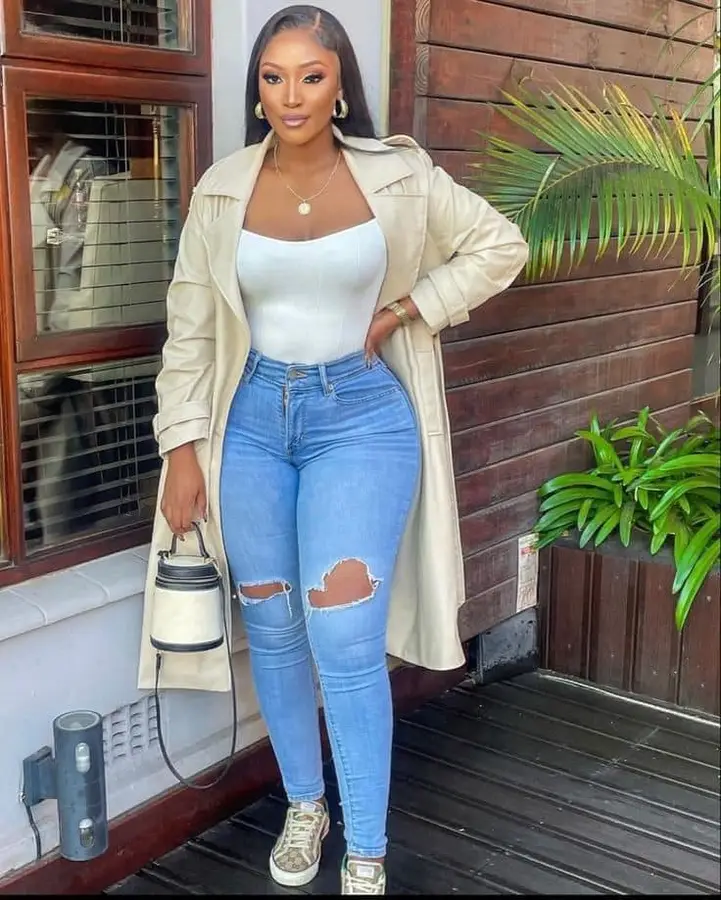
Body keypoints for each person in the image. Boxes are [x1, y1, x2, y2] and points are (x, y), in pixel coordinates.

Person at [138, 4, 528, 894]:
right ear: (258, 92)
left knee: (344, 635)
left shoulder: (399, 176)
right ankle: (305, 804)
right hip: (249, 422)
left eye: (309, 76)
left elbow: (498, 244)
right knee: (274, 629)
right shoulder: (222, 190)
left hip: (359, 419)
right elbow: (189, 328)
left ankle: (366, 846)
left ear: (339, 85)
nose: (290, 96)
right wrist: (183, 449)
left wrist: (406, 309)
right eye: (272, 78)